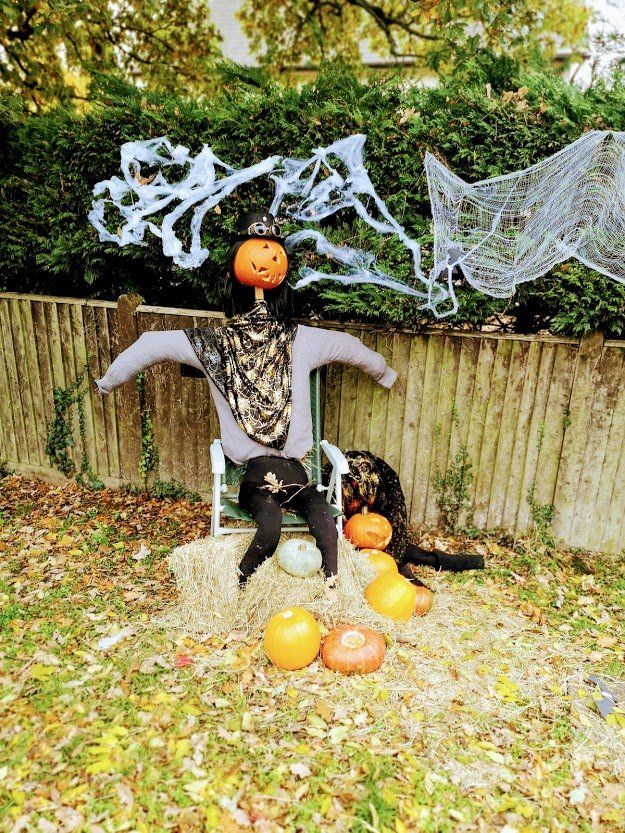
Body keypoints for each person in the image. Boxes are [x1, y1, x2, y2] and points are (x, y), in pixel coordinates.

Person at [95, 210, 397, 586]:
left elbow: (151, 344)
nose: (267, 257)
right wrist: (109, 381)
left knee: (321, 519)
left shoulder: (240, 343)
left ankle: (332, 583)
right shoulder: (230, 344)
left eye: (273, 252)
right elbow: (152, 345)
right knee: (270, 527)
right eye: (260, 252)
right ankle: (242, 580)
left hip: (298, 476)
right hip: (257, 477)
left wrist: (382, 371)